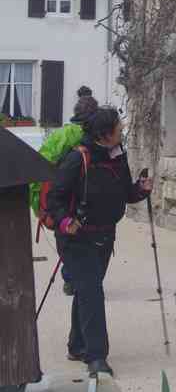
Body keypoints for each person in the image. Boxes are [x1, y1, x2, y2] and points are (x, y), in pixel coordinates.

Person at [48, 106, 152, 378]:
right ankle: (96, 357)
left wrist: (141, 189)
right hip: (76, 238)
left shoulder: (117, 156)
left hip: (105, 237)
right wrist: (64, 222)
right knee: (92, 291)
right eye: (119, 128)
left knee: (86, 289)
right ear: (105, 135)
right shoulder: (77, 159)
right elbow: (54, 199)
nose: (122, 131)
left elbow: (126, 193)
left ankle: (77, 345)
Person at [30, 86, 100, 295]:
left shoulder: (59, 136)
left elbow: (39, 170)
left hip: (56, 202)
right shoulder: (89, 138)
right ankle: (74, 279)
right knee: (79, 240)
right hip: (78, 198)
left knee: (67, 238)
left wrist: (40, 207)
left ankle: (70, 277)